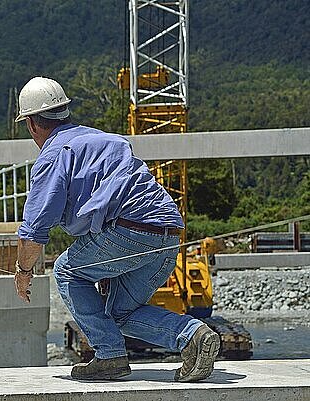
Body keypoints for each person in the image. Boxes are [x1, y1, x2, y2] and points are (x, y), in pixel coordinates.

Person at [12, 77, 220, 382]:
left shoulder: (54, 155)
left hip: (128, 231)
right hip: (169, 234)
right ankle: (194, 336)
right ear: (64, 111)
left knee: (66, 271)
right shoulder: (106, 139)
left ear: (31, 124)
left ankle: (109, 356)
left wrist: (23, 272)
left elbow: (34, 230)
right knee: (119, 314)